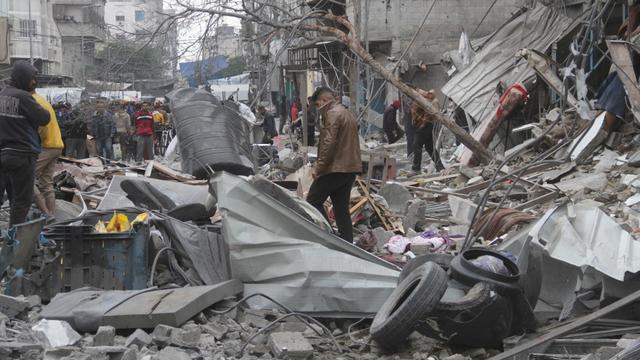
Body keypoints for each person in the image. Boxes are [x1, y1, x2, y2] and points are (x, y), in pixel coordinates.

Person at [306, 87, 362, 243]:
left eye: (317, 105)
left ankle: (329, 237)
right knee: (341, 209)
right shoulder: (346, 113)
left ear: (324, 100)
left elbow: (328, 144)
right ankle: (346, 242)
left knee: (313, 201)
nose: (318, 109)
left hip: (334, 168)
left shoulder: (332, 114)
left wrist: (319, 167)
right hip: (349, 169)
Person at [0, 61, 50, 226]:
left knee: (11, 196)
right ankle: (15, 241)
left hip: (4, 155)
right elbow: (44, 118)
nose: (34, 82)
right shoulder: (23, 97)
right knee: (21, 201)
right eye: (32, 78)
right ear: (23, 78)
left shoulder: (2, 94)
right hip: (23, 154)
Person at [32, 91, 64, 217]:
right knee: (46, 183)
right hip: (56, 145)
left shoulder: (31, 101)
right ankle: (52, 215)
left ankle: (45, 213)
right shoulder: (41, 99)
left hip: (46, 146)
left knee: (27, 178)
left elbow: (38, 127)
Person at [412, 89, 444, 172]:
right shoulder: (415, 97)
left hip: (424, 126)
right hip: (425, 125)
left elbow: (428, 107)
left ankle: (416, 169)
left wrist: (423, 124)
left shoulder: (419, 96)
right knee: (430, 147)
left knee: (417, 146)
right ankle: (440, 167)